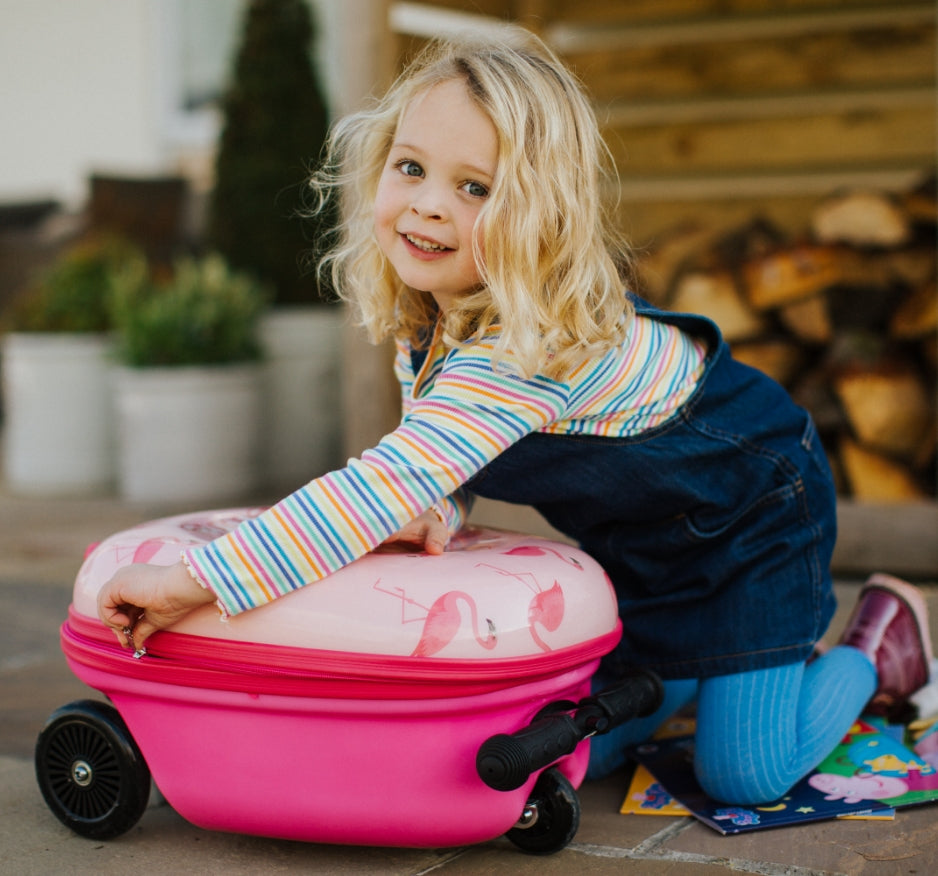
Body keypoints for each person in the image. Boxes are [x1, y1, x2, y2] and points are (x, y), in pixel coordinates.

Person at [98, 28, 932, 805]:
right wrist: (438, 506)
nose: (429, 206)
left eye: (475, 188)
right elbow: (437, 460)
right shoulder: (433, 312)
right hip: (644, 544)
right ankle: (698, 662)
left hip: (754, 520)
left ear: (542, 215)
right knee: (574, 745)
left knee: (744, 773)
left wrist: (187, 583)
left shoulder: (527, 350)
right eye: (411, 167)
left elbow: (377, 488)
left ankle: (877, 646)